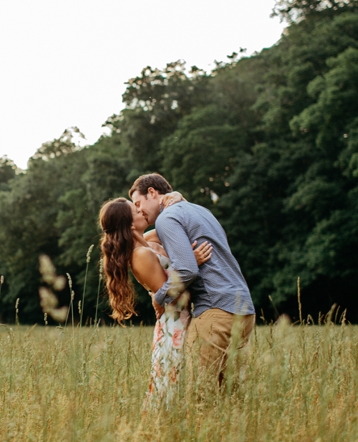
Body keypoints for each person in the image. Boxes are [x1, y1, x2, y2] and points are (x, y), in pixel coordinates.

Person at [129, 173, 255, 385]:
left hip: (215, 311)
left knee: (199, 395)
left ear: (152, 192)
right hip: (243, 310)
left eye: (138, 203)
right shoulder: (199, 211)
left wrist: (159, 297)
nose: (139, 210)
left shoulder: (166, 219)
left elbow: (187, 270)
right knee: (231, 397)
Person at [98, 196, 212, 406]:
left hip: (183, 319)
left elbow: (175, 224)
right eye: (136, 210)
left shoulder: (147, 241)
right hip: (172, 326)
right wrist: (191, 261)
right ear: (131, 224)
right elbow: (169, 295)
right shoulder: (139, 254)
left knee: (179, 385)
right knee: (166, 390)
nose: (142, 211)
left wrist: (177, 198)